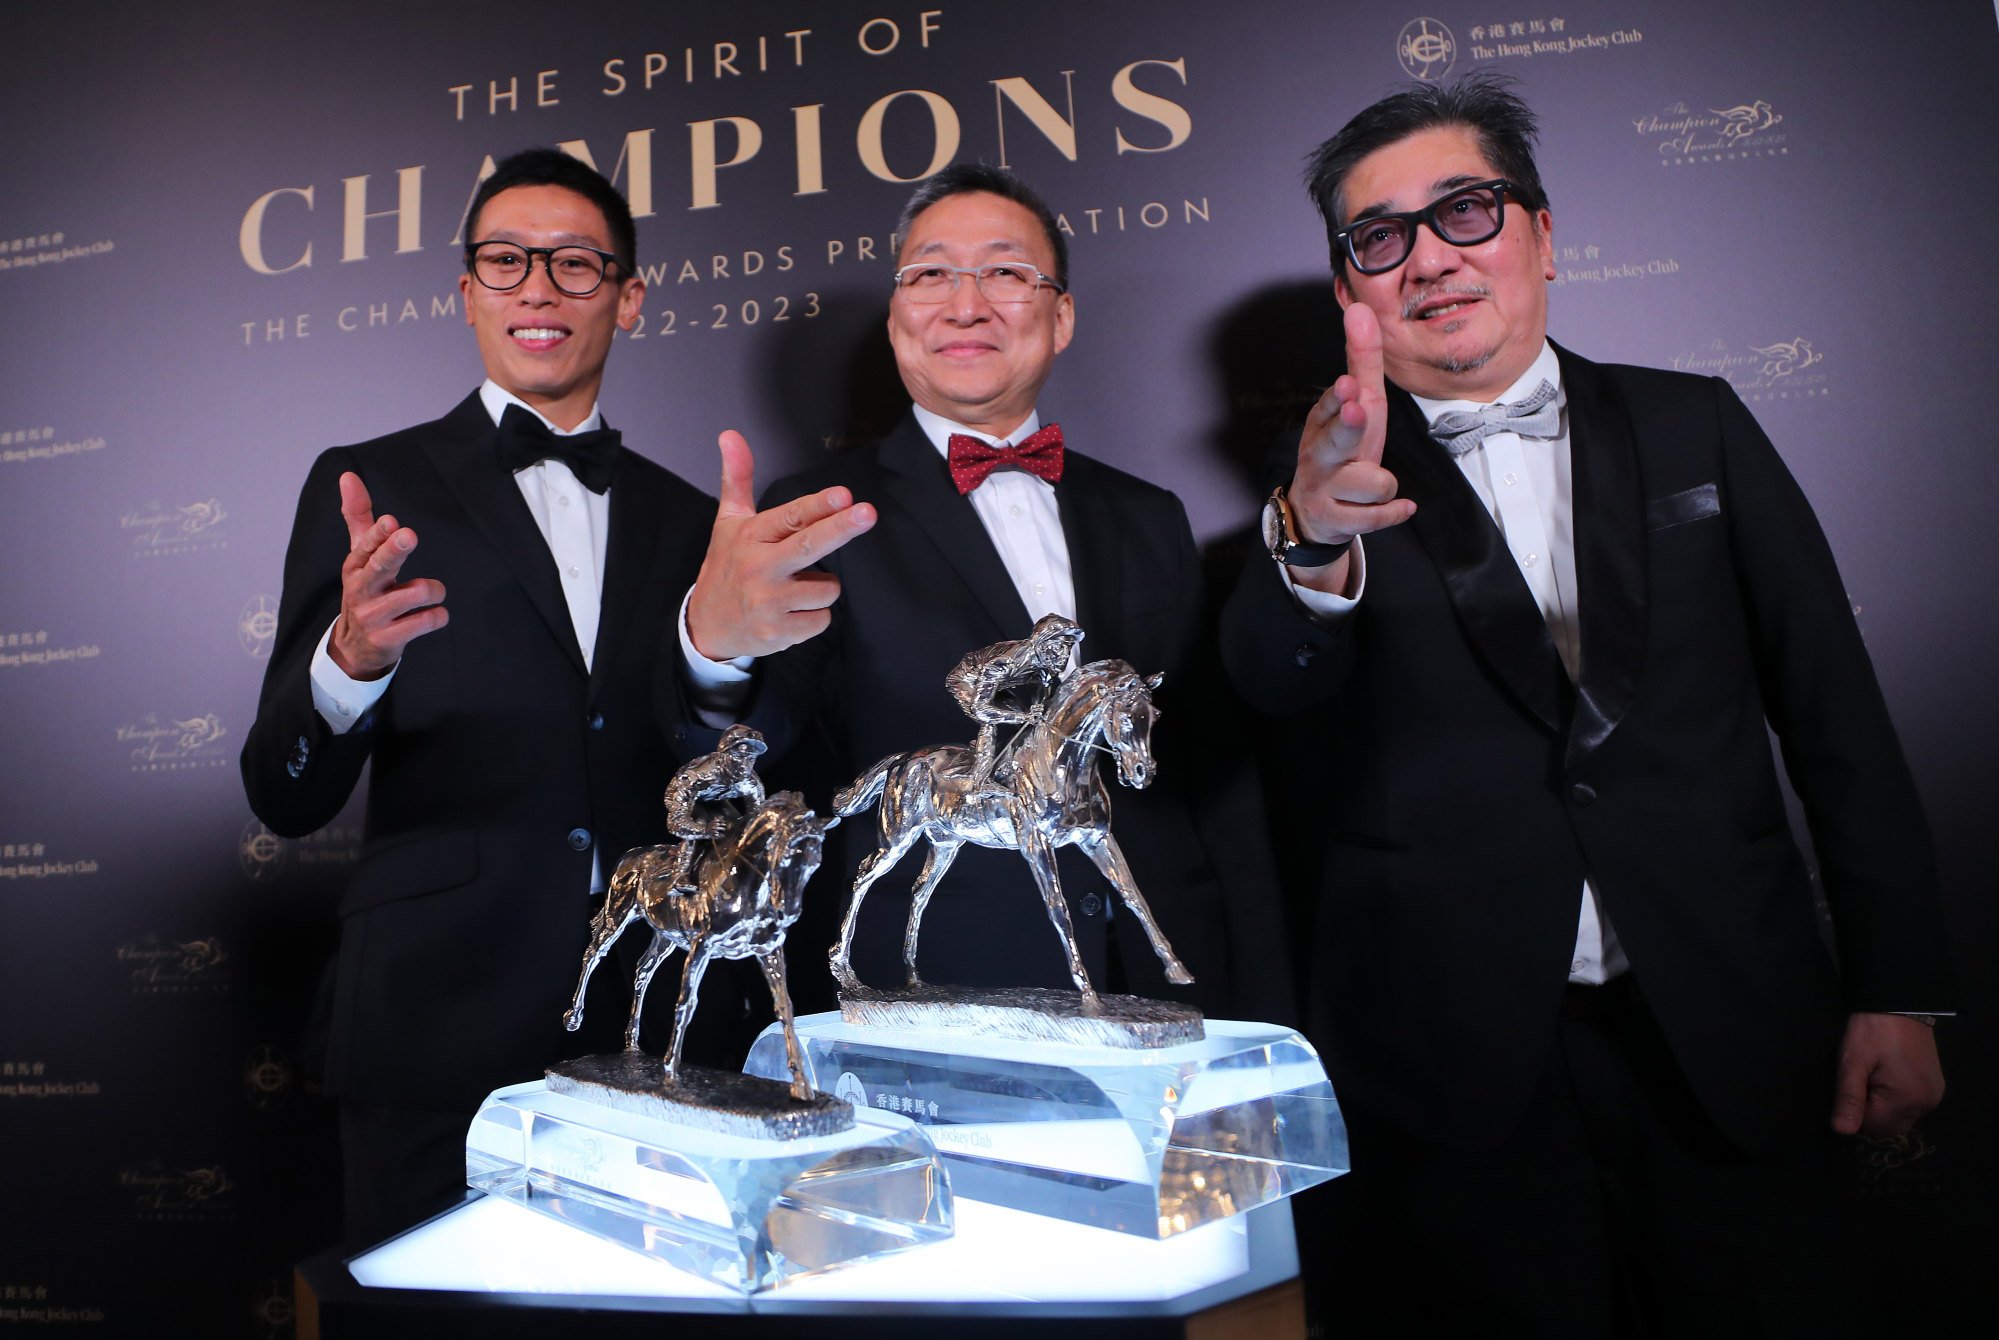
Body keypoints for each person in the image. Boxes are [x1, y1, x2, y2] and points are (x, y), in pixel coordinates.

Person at [1221, 73, 1955, 1330]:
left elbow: (1834, 715)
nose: (1431, 260)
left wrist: (1900, 984)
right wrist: (1304, 541)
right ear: (1351, 289)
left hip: (1732, 1023)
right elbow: (1264, 689)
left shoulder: (1695, 425)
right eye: (1379, 239)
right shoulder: (1323, 481)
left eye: (1466, 210)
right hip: (1454, 1069)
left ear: (1544, 234)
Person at [665, 164, 1289, 1019]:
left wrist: (1256, 989)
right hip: (940, 995)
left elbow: (1212, 773)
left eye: (1004, 271)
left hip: (1164, 983)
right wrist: (715, 643)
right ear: (895, 322)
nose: (966, 304)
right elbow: (763, 745)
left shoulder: (1149, 513)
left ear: (1060, 315)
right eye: (929, 274)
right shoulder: (817, 515)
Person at [241, 148, 712, 1244]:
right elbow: (283, 791)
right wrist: (347, 662)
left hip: (658, 1020)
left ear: (629, 297)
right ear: (466, 292)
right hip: (431, 1016)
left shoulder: (694, 521)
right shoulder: (370, 482)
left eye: (574, 263)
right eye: (505, 260)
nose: (537, 286)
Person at [944, 612, 1085, 789]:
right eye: (1059, 646)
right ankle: (979, 782)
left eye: (1069, 646)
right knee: (990, 723)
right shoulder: (1005, 662)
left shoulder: (1046, 664)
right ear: (1042, 644)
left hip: (998, 686)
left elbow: (1044, 690)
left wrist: (1037, 708)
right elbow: (980, 708)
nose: (1065, 654)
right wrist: (1024, 717)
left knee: (1026, 723)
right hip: (966, 681)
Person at [662, 723, 768, 893]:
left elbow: (757, 816)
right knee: (701, 820)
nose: (744, 765)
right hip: (686, 799)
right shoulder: (698, 776)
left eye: (750, 758)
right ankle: (679, 875)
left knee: (735, 824)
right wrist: (704, 830)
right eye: (738, 756)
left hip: (717, 799)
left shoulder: (751, 783)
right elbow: (675, 821)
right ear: (724, 754)